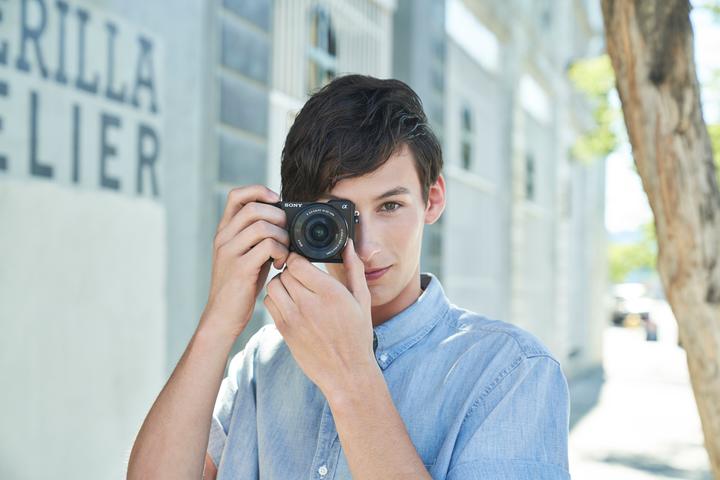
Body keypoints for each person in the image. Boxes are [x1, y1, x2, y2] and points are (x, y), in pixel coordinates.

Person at [127, 74, 571, 480]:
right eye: (338, 216)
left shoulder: (511, 372)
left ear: (432, 199)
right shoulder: (264, 360)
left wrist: (351, 378)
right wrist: (219, 322)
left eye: (390, 206)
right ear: (298, 221)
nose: (366, 246)